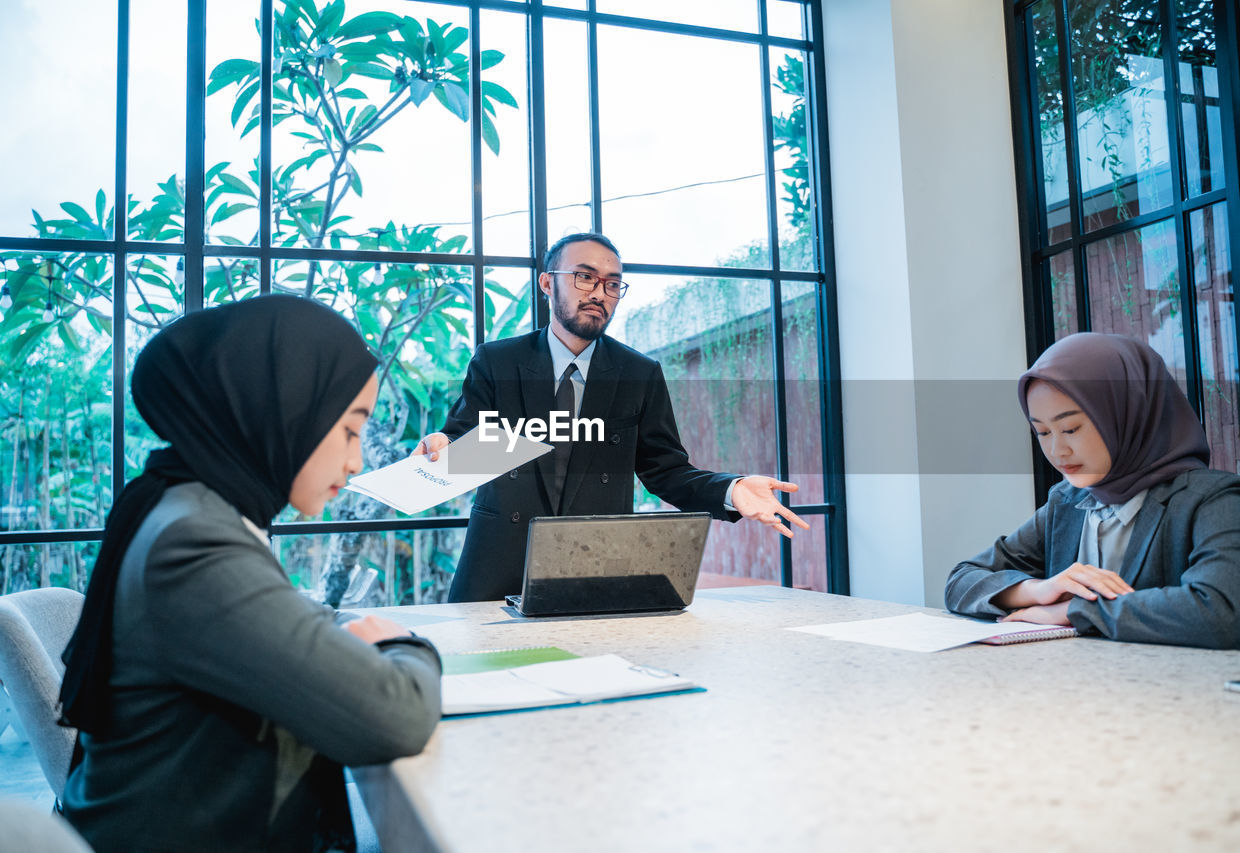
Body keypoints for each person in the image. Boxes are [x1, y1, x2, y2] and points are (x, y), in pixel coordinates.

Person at [58, 295, 443, 852]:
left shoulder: (191, 504)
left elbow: (260, 620)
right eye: (350, 430)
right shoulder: (195, 543)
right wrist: (407, 646)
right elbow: (396, 716)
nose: (356, 460)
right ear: (286, 411)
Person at [415, 232, 808, 602]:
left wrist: (731, 489)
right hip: (496, 566)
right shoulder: (497, 360)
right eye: (584, 277)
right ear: (548, 283)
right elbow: (462, 436)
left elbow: (665, 470)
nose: (599, 293)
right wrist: (443, 446)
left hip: (593, 565)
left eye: (612, 284)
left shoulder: (638, 372)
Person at [944, 332, 1240, 649]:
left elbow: (1221, 615)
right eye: (1042, 431)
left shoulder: (1214, 497)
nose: (1056, 449)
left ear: (1127, 414)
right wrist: (1038, 590)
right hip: (1079, 686)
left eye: (1070, 429)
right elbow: (961, 581)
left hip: (1181, 690)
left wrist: (1073, 610)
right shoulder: (1067, 501)